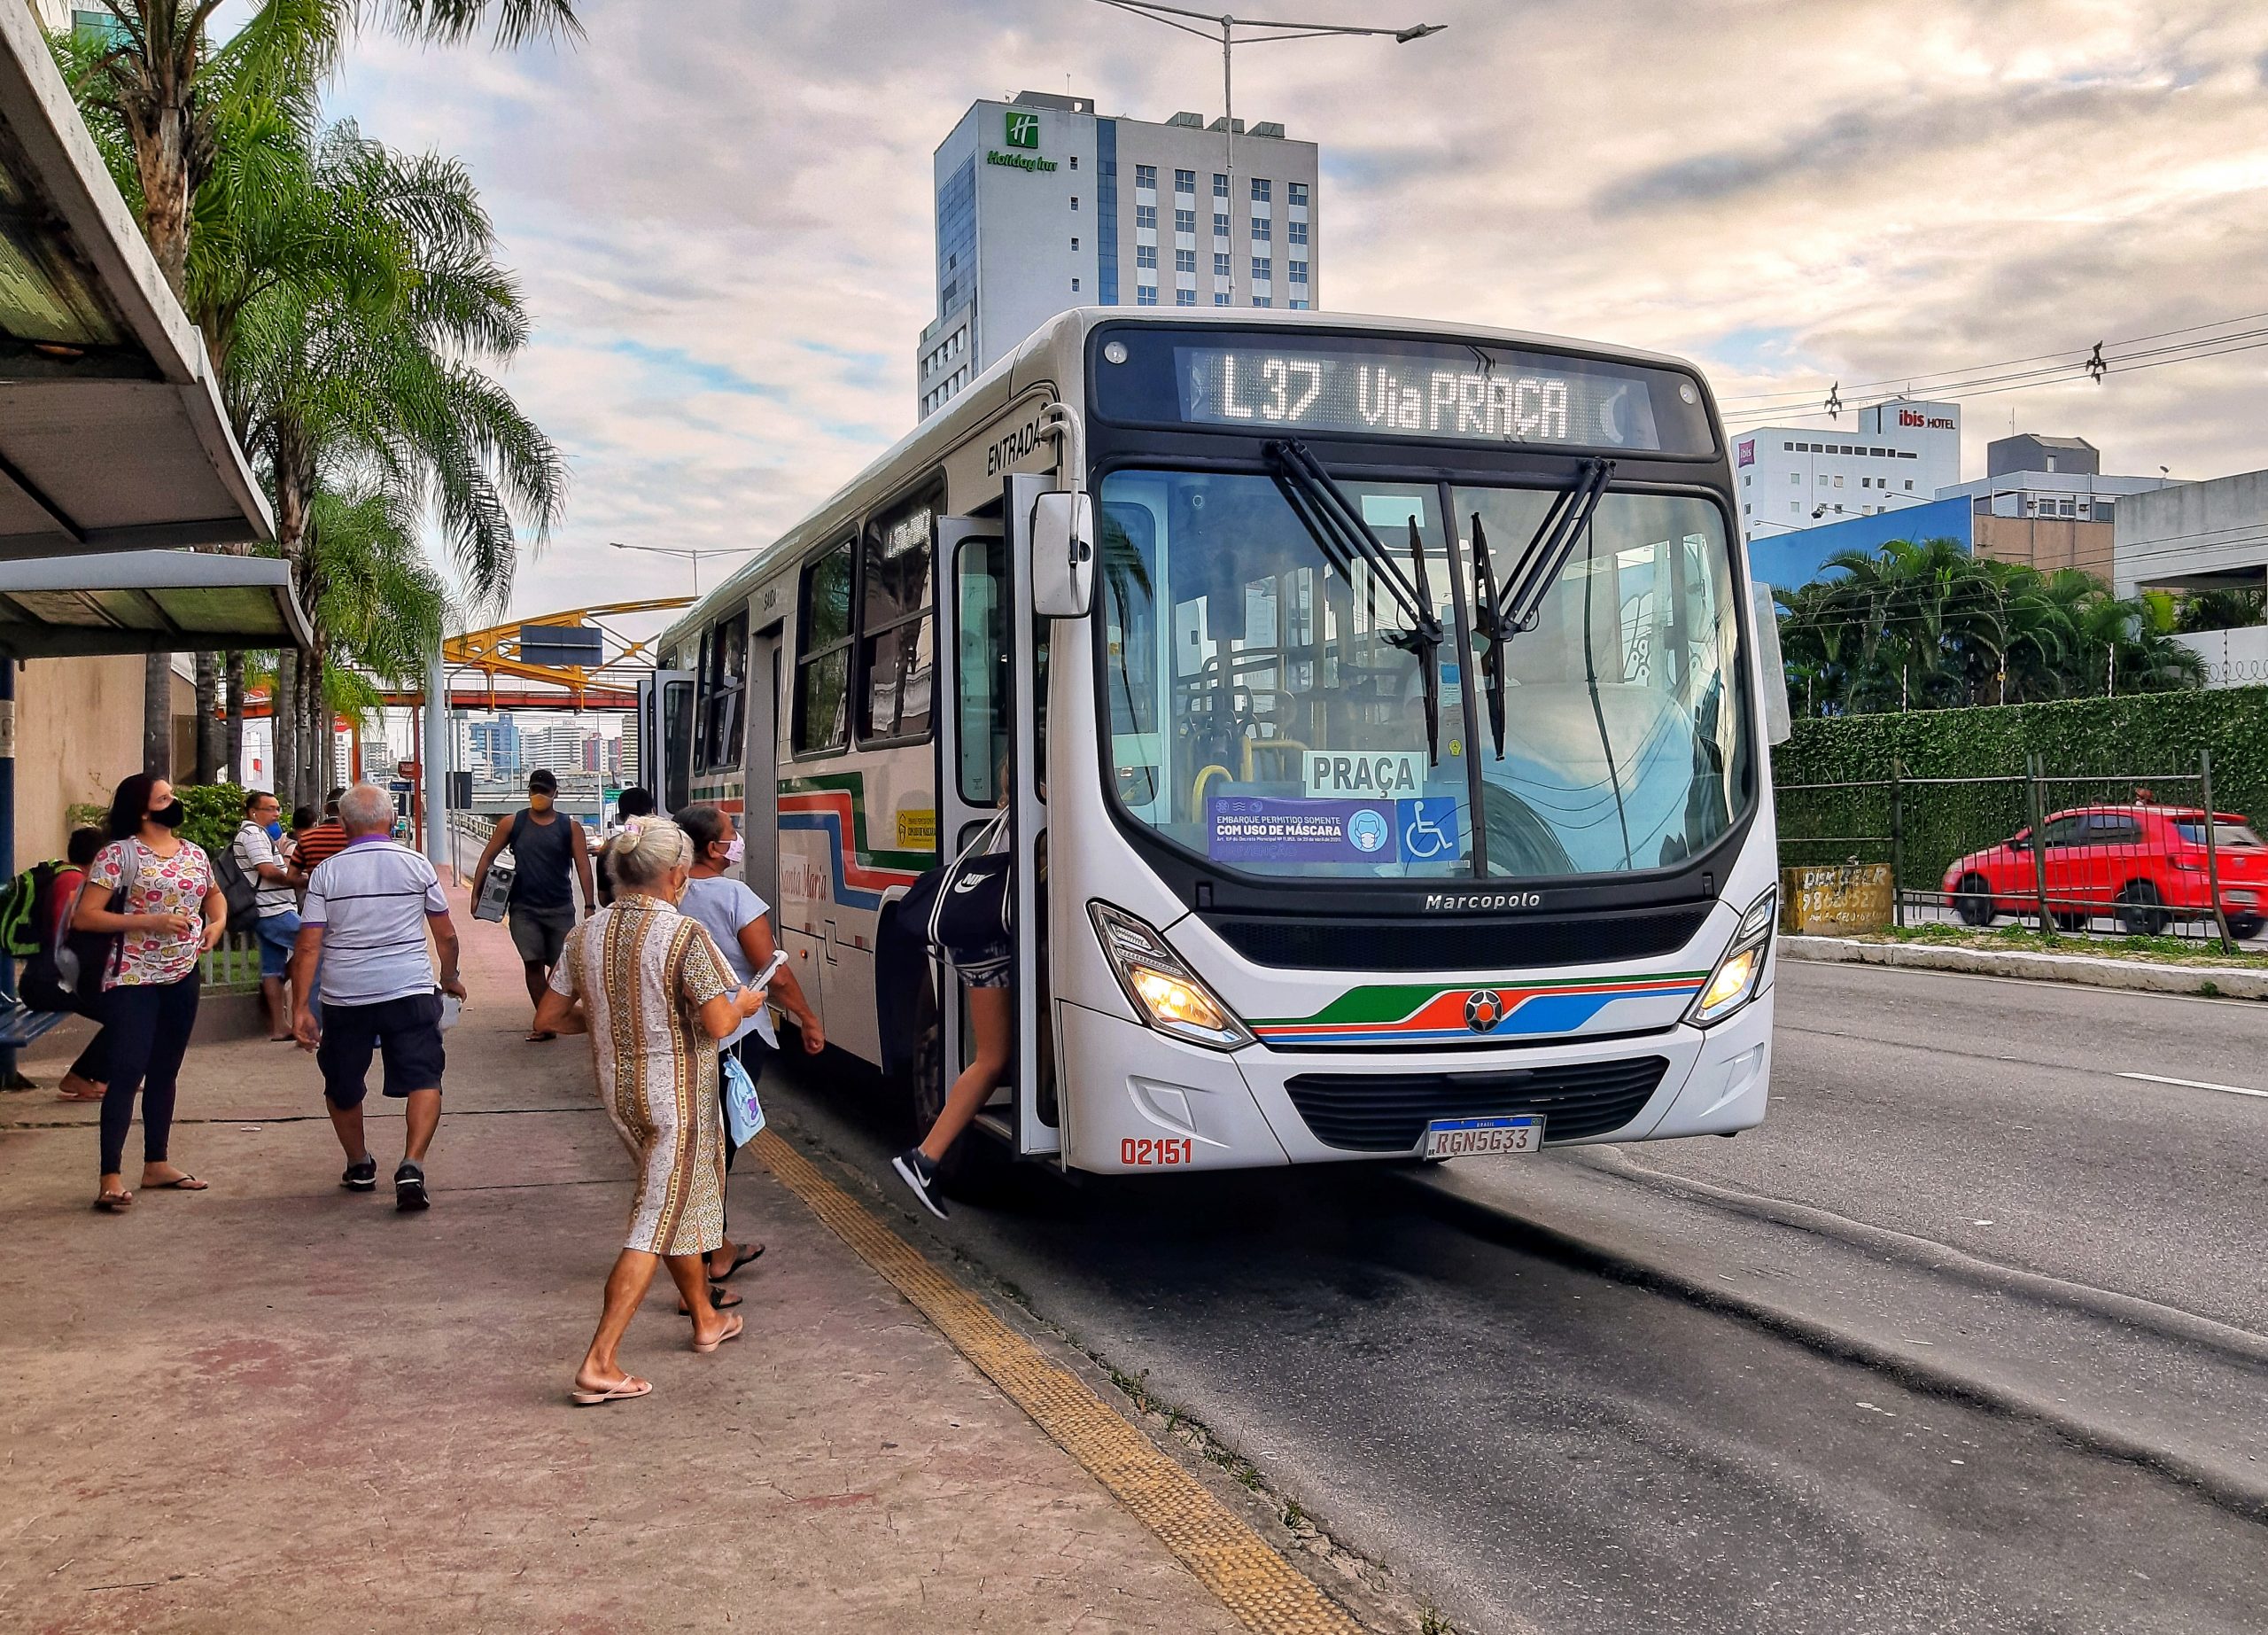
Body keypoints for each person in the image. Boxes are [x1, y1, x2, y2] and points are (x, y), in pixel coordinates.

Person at [532, 818, 772, 1405]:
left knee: (672, 1201)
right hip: (678, 1099)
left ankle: (705, 1318)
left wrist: (614, 1021)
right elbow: (719, 1021)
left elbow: (549, 1017)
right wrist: (745, 1002)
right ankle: (599, 1361)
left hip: (621, 1096)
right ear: (675, 875)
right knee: (655, 1219)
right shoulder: (684, 933)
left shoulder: (585, 934)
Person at [291, 783, 464, 1211]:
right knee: (424, 1077)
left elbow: (308, 946)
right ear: (392, 820)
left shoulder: (326, 873)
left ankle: (359, 1164)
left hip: (345, 997)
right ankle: (412, 1165)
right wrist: (450, 977)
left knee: (343, 1081)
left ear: (344, 825)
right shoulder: (417, 865)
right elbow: (445, 935)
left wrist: (300, 1007)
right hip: (409, 988)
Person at [675, 803, 825, 1289]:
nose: (736, 840)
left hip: (681, 1035)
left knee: (697, 1143)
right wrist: (807, 1018)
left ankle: (715, 1245)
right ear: (713, 848)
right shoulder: (735, 895)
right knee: (722, 1145)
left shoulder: (669, 893)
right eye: (730, 833)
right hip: (734, 1035)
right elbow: (774, 973)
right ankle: (710, 1253)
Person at [73, 774, 228, 1211]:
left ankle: (156, 1163)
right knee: (126, 1071)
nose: (174, 802)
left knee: (166, 1070)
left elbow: (214, 896)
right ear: (143, 810)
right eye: (164, 798)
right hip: (132, 977)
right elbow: (86, 916)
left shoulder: (193, 853)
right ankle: (110, 1177)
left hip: (182, 973)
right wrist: (149, 921)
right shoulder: (118, 855)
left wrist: (217, 924)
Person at [890, 813, 1014, 1220]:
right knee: (991, 1060)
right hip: (989, 951)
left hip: (981, 947)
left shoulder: (1010, 816)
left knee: (993, 1058)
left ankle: (924, 1158)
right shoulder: (1032, 820)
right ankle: (923, 1159)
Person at [471, 768, 595, 1040]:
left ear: (555, 794)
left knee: (562, 967)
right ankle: (545, 1023)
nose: (539, 795)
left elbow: (583, 866)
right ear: (528, 792)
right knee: (532, 964)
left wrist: (589, 905)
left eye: (544, 791)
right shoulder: (511, 823)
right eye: (534, 790)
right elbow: (487, 858)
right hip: (523, 909)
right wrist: (476, 896)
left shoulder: (569, 827)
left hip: (560, 909)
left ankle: (554, 1014)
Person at [233, 790, 308, 1041]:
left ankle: (279, 1026)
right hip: (274, 908)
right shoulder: (253, 835)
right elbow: (266, 870)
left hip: (267, 908)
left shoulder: (256, 834)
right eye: (271, 809)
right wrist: (296, 880)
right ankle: (303, 1019)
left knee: (272, 969)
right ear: (254, 812)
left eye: (278, 808)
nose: (277, 814)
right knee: (313, 947)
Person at [50, 827, 112, 1102]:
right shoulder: (75, 883)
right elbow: (71, 930)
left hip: (61, 975)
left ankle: (101, 1076)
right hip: (58, 980)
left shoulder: (65, 877)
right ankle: (80, 1076)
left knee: (129, 1012)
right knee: (126, 1015)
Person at [596, 787, 656, 907]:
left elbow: (603, 899)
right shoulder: (668, 844)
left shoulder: (608, 848)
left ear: (620, 816)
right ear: (653, 811)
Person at [293, 790, 351, 876]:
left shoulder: (306, 838)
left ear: (325, 809)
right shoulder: (356, 837)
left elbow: (292, 877)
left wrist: (313, 882)